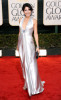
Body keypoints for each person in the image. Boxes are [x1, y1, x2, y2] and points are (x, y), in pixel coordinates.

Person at [17, 3, 45, 96]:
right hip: (22, 45)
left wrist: (38, 46)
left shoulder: (34, 20)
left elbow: (35, 34)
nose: (27, 11)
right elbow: (20, 33)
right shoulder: (20, 20)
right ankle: (27, 83)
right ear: (23, 11)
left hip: (29, 45)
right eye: (25, 10)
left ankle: (35, 86)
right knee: (24, 64)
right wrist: (18, 45)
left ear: (31, 10)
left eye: (29, 9)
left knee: (31, 64)